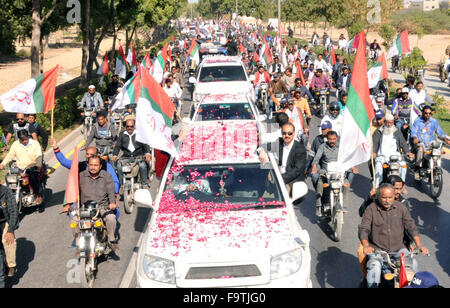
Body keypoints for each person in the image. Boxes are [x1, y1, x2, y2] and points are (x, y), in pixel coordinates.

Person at [358, 183, 429, 288]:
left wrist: (419, 245)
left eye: (390, 197)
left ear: (395, 195)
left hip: (399, 250)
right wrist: (366, 246)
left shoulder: (401, 208)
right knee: (375, 268)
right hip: (378, 250)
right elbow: (364, 229)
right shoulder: (371, 209)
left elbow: (411, 227)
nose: (387, 200)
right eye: (384, 197)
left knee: (413, 265)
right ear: (378, 196)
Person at [311, 131, 357, 217]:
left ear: (337, 139)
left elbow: (348, 157)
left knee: (346, 184)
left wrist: (353, 167)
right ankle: (319, 205)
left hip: (339, 172)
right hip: (326, 172)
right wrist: (314, 167)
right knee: (320, 184)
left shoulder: (341, 147)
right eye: (330, 139)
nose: (332, 141)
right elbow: (316, 158)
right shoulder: (322, 147)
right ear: (327, 139)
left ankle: (344, 204)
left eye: (334, 139)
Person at [79, 156, 119, 252]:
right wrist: (69, 204)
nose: (93, 167)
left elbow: (111, 193)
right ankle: (79, 242)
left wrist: (112, 203)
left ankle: (111, 240)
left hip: (102, 206)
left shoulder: (107, 176)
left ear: (100, 166)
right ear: (87, 165)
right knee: (74, 221)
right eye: (91, 165)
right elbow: (73, 190)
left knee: (111, 218)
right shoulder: (81, 176)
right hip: (85, 207)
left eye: (96, 165)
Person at [258, 123, 307, 195]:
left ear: (293, 134)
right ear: (281, 133)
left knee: (283, 196)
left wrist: (278, 178)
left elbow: (296, 171)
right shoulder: (279, 142)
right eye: (284, 133)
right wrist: (262, 151)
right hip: (276, 178)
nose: (287, 136)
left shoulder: (300, 149)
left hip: (290, 181)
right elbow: (264, 146)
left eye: (289, 133)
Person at [0, 130, 43, 205]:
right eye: (22, 140)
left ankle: (38, 195)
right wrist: (2, 164)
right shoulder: (15, 145)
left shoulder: (35, 143)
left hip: (32, 167)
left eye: (26, 139)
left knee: (33, 178)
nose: (25, 141)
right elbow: (10, 155)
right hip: (21, 168)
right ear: (19, 139)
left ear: (28, 137)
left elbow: (39, 156)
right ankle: (11, 195)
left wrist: (38, 166)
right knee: (8, 177)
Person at [372, 114, 413, 187]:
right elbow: (375, 143)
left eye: (391, 122)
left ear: (393, 122)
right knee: (378, 169)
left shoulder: (397, 131)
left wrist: (407, 152)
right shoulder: (379, 131)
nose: (389, 124)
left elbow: (403, 143)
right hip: (382, 156)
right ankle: (377, 188)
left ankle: (401, 186)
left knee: (403, 166)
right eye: (388, 122)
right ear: (384, 122)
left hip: (395, 156)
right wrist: (374, 152)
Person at [411, 105, 450, 180]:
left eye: (429, 113)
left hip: (430, 141)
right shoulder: (417, 121)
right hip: (420, 141)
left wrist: (446, 139)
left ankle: (435, 166)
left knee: (437, 148)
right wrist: (415, 138)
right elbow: (413, 132)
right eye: (426, 113)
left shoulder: (434, 121)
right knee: (421, 148)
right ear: (422, 113)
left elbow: (439, 132)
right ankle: (418, 168)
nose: (428, 115)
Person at [111, 119, 152, 189]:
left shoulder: (140, 134)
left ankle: (144, 183)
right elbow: (118, 146)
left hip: (138, 157)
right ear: (125, 127)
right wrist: (114, 155)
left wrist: (147, 153)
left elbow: (146, 145)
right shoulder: (122, 134)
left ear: (134, 126)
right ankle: (121, 185)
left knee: (143, 166)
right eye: (127, 126)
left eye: (131, 126)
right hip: (126, 157)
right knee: (118, 166)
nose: (129, 128)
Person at [0, 184, 19, 278]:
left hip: (5, 221)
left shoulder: (6, 191)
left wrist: (11, 230)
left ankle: (11, 266)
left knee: (7, 240)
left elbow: (13, 211)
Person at [306, 121, 332, 188]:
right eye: (321, 128)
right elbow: (311, 155)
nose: (322, 130)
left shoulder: (336, 139)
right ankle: (319, 192)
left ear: (330, 129)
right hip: (319, 164)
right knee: (314, 175)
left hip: (332, 164)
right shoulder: (317, 139)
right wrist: (306, 168)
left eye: (324, 129)